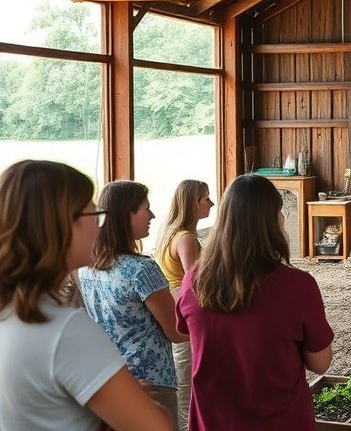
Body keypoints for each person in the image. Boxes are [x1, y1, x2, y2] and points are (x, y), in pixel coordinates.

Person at [0, 160, 173, 431]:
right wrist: (133, 401)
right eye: (94, 216)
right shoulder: (66, 330)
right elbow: (157, 427)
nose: (100, 228)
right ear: (59, 226)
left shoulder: (11, 313)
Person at [176, 174, 333, 431]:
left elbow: (184, 332)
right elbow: (320, 363)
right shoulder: (298, 286)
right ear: (271, 221)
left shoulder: (194, 280)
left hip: (213, 422)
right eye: (279, 212)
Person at [78, 181, 188, 429]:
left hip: (112, 379)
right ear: (126, 214)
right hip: (152, 383)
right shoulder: (141, 270)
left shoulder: (87, 268)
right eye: (146, 209)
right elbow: (176, 331)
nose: (153, 215)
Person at [156, 180, 214, 431]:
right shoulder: (186, 239)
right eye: (206, 199)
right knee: (187, 378)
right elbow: (194, 282)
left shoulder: (170, 233)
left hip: (175, 301)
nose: (211, 203)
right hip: (184, 305)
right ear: (192, 203)